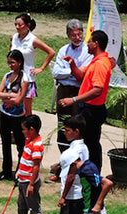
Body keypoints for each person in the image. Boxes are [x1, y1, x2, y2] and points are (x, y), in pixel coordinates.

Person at [59, 30, 113, 172]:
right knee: (85, 143)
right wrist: (72, 64)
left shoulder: (101, 64)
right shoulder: (94, 61)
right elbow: (80, 76)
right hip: (86, 109)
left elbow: (97, 90)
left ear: (96, 44)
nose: (87, 44)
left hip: (93, 111)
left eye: (89, 41)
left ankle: (93, 175)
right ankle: (83, 171)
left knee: (91, 144)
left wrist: (74, 99)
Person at [49, 115, 89, 214]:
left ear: (76, 131)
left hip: (72, 194)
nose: (65, 132)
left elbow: (71, 176)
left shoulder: (73, 152)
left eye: (67, 130)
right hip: (80, 192)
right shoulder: (83, 148)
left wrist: (63, 196)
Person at [51, 19, 93, 153]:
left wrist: (73, 71)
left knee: (76, 125)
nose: (77, 38)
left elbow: (83, 75)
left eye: (79, 34)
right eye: (74, 35)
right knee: (63, 124)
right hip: (63, 90)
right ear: (68, 34)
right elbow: (56, 72)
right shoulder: (64, 50)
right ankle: (63, 154)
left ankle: (76, 157)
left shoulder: (88, 51)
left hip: (78, 91)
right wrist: (72, 71)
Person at [4, 115, 44, 214]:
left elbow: (36, 166)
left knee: (34, 209)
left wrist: (31, 184)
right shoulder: (28, 140)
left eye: (24, 129)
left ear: (31, 129)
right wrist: (19, 172)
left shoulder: (37, 145)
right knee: (21, 206)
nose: (22, 131)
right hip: (22, 180)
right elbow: (24, 160)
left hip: (29, 182)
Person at [0, 50, 28, 181]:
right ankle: (6, 171)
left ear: (19, 62)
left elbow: (20, 99)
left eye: (12, 62)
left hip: (18, 117)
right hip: (4, 114)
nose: (10, 65)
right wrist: (10, 96)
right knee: (6, 144)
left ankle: (21, 172)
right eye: (9, 62)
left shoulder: (24, 78)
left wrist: (9, 98)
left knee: (20, 145)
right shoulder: (7, 76)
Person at [11, 13, 55, 116]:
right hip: (14, 78)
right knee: (13, 106)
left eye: (20, 25)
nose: (17, 27)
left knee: (27, 110)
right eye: (15, 24)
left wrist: (41, 68)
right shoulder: (14, 37)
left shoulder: (33, 40)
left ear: (28, 25)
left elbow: (51, 52)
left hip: (27, 79)